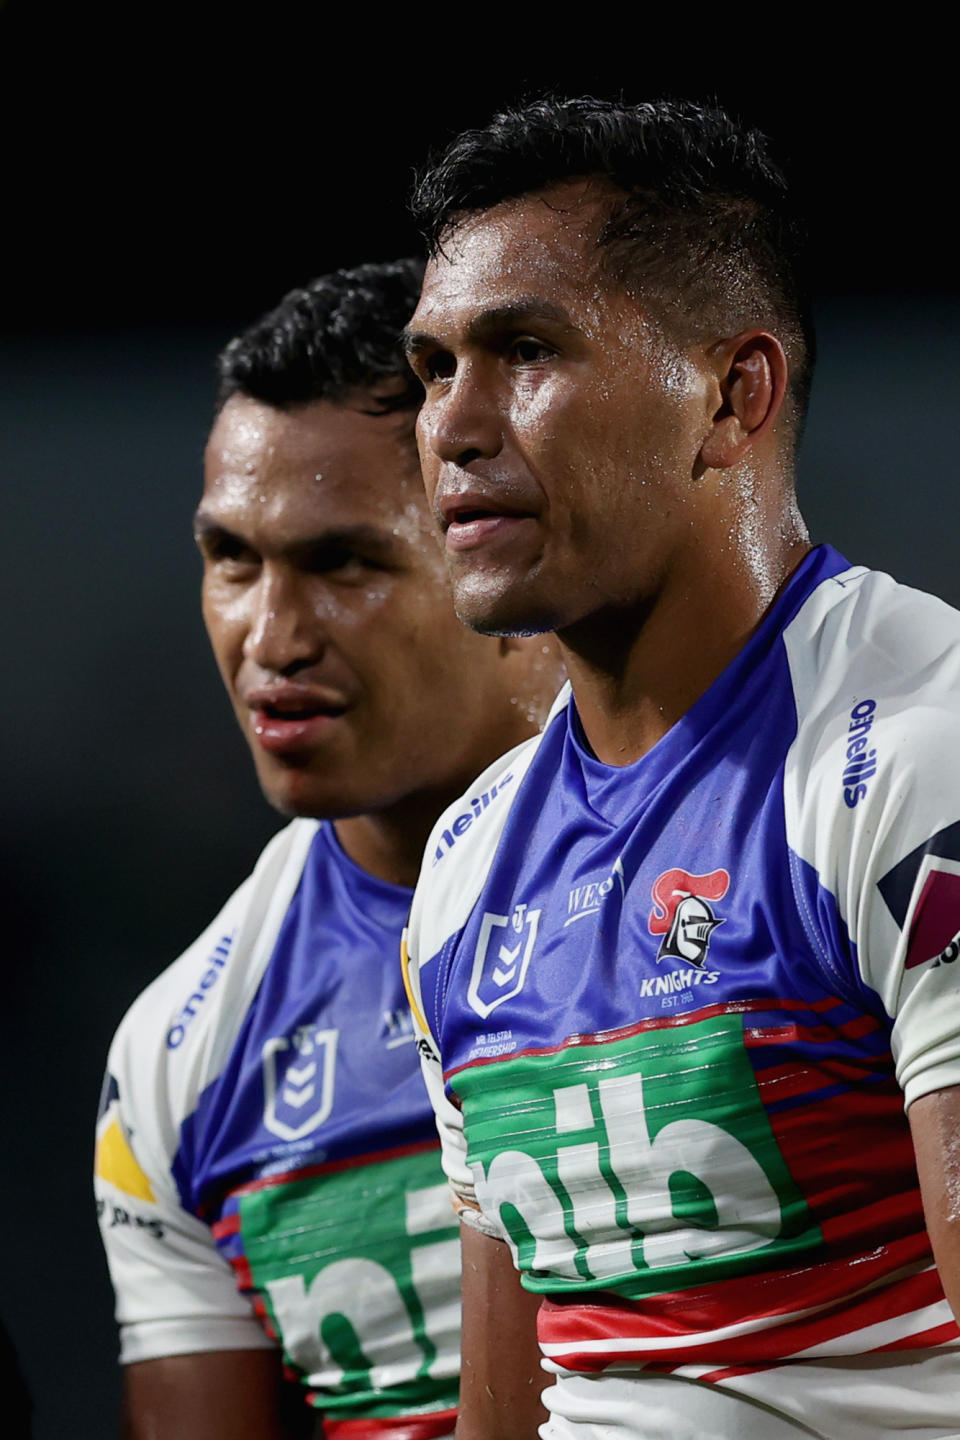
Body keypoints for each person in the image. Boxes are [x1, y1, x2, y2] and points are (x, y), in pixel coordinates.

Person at [400, 97, 960, 1439]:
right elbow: (509, 1407)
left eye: (524, 350)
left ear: (732, 395)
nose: (453, 428)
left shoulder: (915, 753)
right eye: (431, 368)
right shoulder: (470, 864)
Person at [94, 259, 562, 1440]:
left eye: (346, 563)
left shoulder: (798, 864)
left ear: (506, 554)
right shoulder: (180, 1055)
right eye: (232, 560)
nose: (273, 636)